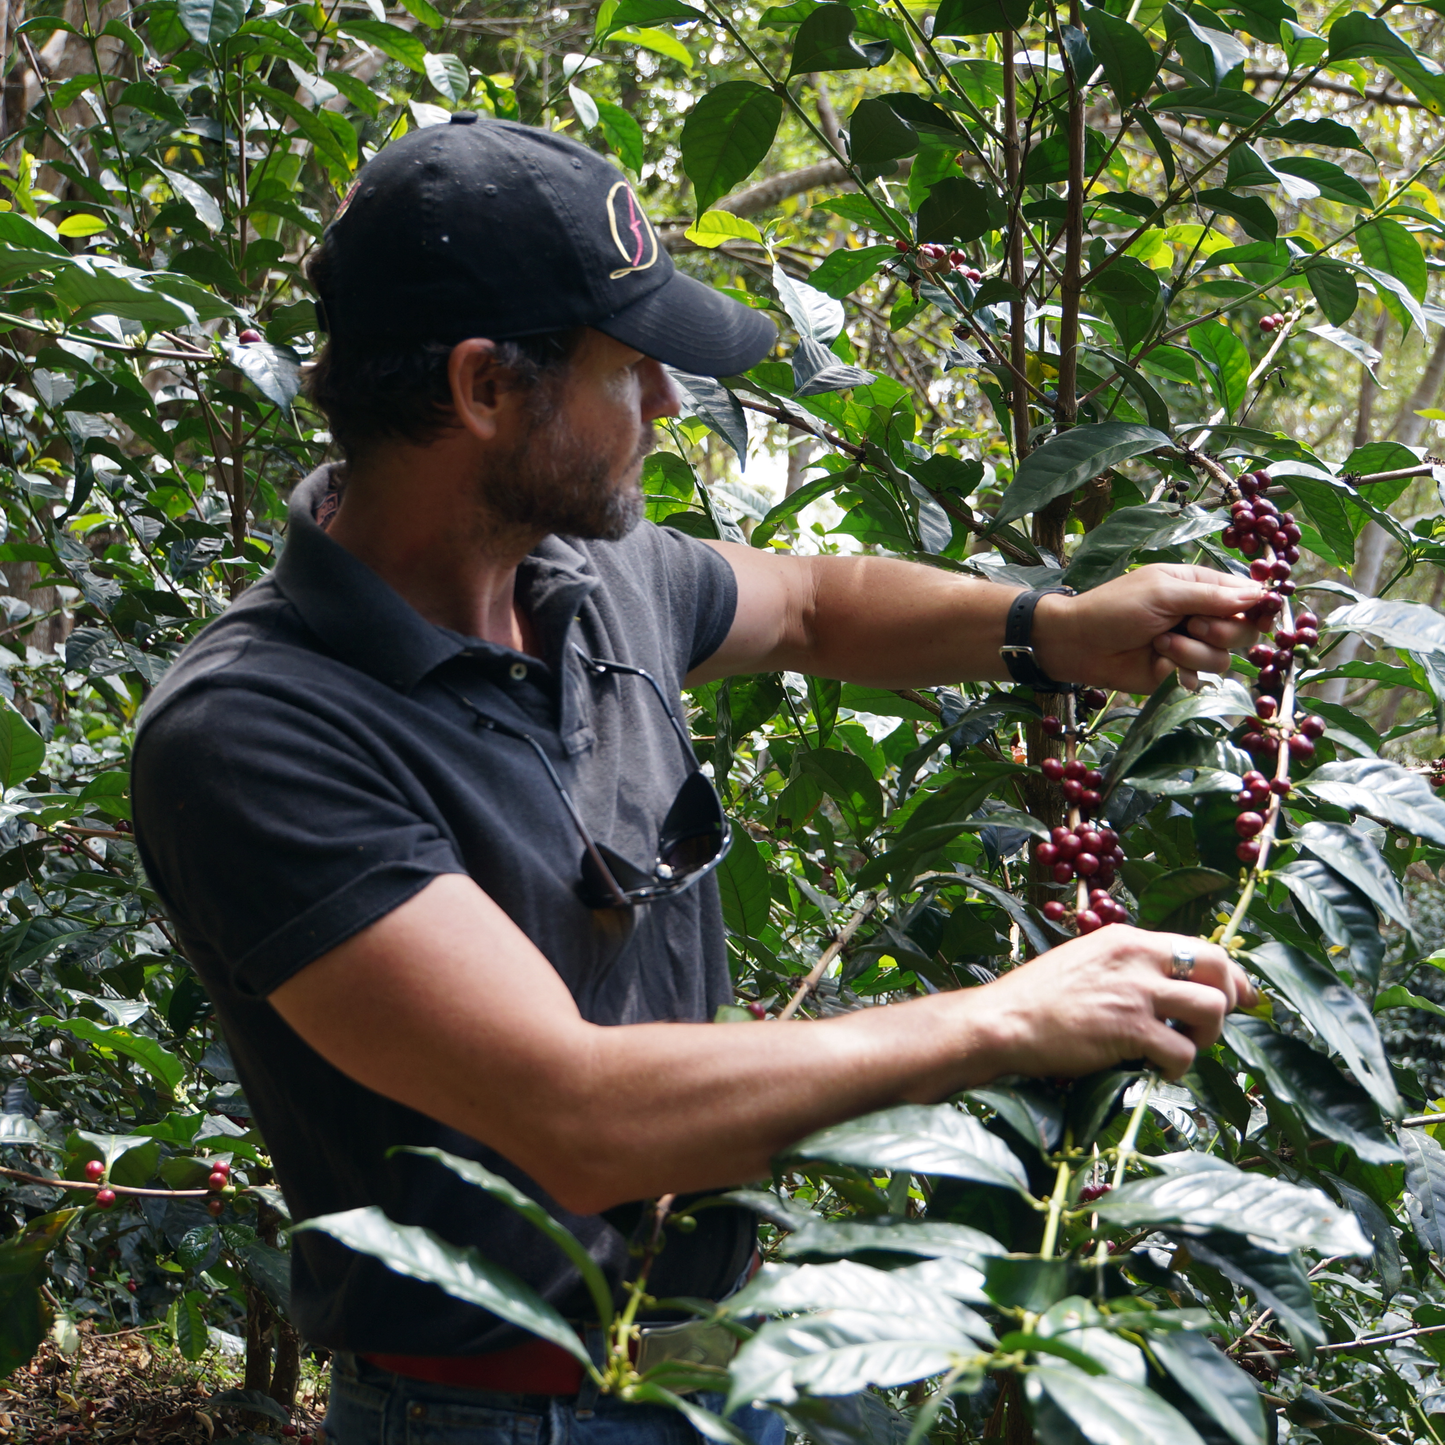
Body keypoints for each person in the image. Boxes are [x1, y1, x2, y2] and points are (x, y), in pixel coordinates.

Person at [132, 115, 1259, 1445]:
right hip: (492, 1419)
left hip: (720, 1376)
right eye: (630, 371)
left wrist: (1048, 628)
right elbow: (578, 1116)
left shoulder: (586, 577)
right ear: (485, 389)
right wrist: (1001, 1022)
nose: (667, 405)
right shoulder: (256, 733)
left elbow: (819, 608)